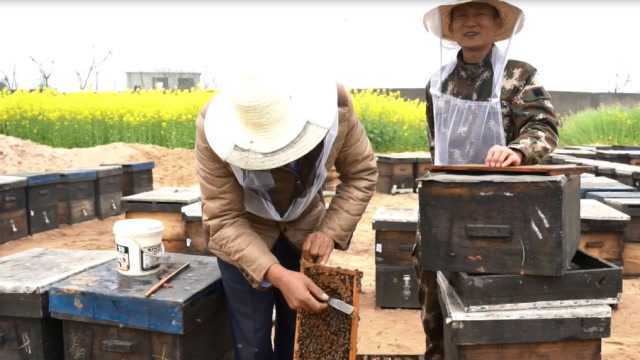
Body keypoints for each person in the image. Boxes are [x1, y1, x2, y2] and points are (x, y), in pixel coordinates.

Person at [195, 70, 378, 360]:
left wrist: (329, 231)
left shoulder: (337, 110)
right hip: (245, 236)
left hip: (303, 232)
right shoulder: (212, 126)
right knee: (251, 344)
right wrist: (277, 274)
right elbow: (223, 217)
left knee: (298, 337)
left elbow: (361, 174)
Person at [418, 1, 559, 358]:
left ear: (498, 24)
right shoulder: (438, 82)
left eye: (480, 14)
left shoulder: (519, 75)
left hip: (506, 206)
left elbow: (544, 128)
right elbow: (438, 145)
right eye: (461, 16)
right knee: (435, 297)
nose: (470, 22)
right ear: (451, 27)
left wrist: (518, 151)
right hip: (448, 203)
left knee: (497, 303)